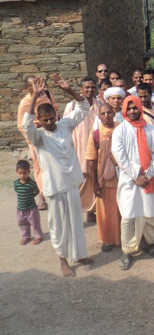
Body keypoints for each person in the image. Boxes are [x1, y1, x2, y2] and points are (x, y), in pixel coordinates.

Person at [21, 74, 93, 277]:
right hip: (54, 188)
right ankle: (62, 260)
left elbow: (84, 108)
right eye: (45, 120)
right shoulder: (39, 137)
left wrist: (68, 89)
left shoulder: (64, 126)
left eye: (52, 117)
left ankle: (79, 255)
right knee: (59, 227)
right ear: (39, 121)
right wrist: (35, 96)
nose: (50, 122)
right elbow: (26, 126)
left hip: (71, 185)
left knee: (76, 223)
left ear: (56, 115)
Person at [111, 95, 154, 270]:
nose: (132, 111)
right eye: (129, 108)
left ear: (140, 108)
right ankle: (128, 251)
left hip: (148, 179)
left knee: (150, 213)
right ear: (124, 110)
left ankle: (151, 244)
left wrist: (148, 174)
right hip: (129, 181)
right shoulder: (120, 131)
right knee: (129, 216)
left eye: (135, 108)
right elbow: (120, 156)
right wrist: (136, 175)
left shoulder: (150, 129)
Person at [17, 75, 59, 210]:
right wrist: (31, 139)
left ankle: (56, 190)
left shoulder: (46, 95)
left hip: (51, 135)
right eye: (32, 84)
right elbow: (21, 125)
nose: (35, 86)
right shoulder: (25, 103)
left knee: (53, 163)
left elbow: (55, 111)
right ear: (26, 88)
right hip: (36, 138)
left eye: (37, 83)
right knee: (39, 166)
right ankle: (41, 194)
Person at [63, 76, 101, 220]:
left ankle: (91, 211)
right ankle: (75, 212)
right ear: (81, 90)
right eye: (87, 88)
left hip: (95, 149)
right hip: (77, 148)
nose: (90, 90)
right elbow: (65, 127)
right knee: (78, 181)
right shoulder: (72, 106)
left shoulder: (99, 105)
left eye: (92, 87)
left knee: (93, 179)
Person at [86, 103, 121, 252]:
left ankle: (123, 238)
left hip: (122, 179)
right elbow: (91, 161)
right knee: (105, 212)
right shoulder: (95, 135)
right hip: (104, 181)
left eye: (109, 113)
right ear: (99, 116)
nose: (107, 116)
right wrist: (94, 184)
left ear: (114, 114)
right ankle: (107, 240)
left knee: (122, 209)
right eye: (103, 113)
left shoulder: (122, 129)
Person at [14, 159, 43, 245]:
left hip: (31, 208)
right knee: (22, 223)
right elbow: (17, 191)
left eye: (24, 173)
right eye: (20, 173)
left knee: (35, 223)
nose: (22, 175)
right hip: (20, 208)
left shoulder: (32, 183)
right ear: (17, 172)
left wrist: (31, 196)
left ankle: (38, 236)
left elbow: (37, 191)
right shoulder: (16, 183)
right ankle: (26, 236)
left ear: (28, 172)